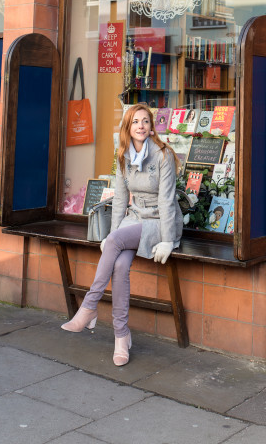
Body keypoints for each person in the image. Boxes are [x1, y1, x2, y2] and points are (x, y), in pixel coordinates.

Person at [61, 103, 183, 366]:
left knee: (116, 242)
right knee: (119, 263)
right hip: (135, 217)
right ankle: (121, 336)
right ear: (127, 127)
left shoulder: (163, 155)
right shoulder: (124, 156)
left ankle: (89, 307)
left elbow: (167, 201)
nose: (141, 126)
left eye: (146, 121)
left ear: (151, 128)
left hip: (160, 221)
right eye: (135, 122)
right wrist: (113, 233)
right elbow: (119, 201)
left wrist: (168, 240)